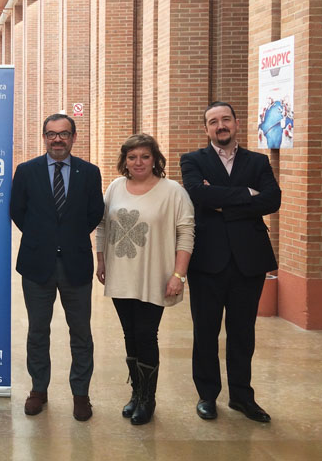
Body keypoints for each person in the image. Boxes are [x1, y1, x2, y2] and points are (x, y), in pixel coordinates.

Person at [180, 102, 281, 423]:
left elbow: (272, 200)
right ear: (206, 128)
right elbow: (198, 195)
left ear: (236, 123)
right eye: (213, 121)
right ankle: (207, 396)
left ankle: (241, 396)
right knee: (205, 332)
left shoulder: (258, 161)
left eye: (225, 119)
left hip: (249, 260)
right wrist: (247, 194)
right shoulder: (192, 160)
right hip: (207, 261)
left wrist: (222, 201)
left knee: (242, 333)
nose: (220, 125)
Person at [10, 113, 105, 421]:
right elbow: (17, 211)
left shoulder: (89, 172)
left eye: (63, 133)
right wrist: (44, 238)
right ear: (44, 138)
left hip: (76, 263)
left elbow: (95, 212)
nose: (57, 139)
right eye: (51, 134)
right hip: (37, 264)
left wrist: (68, 238)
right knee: (38, 330)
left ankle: (81, 394)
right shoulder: (27, 171)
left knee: (81, 333)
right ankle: (38, 390)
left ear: (73, 137)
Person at [95, 133, 194, 425]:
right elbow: (102, 226)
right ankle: (136, 393)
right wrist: (100, 260)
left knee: (146, 334)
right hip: (121, 274)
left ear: (155, 159)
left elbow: (186, 233)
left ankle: (148, 398)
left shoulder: (172, 191)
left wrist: (179, 275)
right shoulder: (115, 187)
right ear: (125, 160)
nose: (138, 162)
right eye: (132, 157)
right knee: (130, 334)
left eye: (145, 156)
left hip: (154, 276)